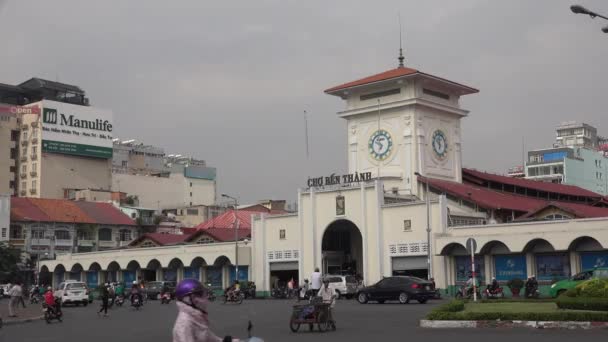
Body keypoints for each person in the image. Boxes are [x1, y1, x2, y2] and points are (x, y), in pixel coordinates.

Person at [173, 279, 239, 342]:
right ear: (189, 299)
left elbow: (208, 337)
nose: (206, 297)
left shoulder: (196, 317)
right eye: (201, 294)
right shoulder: (184, 324)